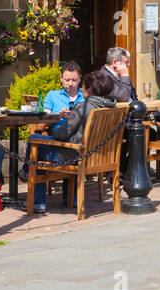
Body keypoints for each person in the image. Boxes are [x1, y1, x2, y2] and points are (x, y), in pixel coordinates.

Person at [29, 68, 117, 212]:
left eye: (82, 87)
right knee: (43, 143)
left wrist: (56, 129)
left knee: (35, 141)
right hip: (101, 156)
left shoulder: (83, 107)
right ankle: (68, 198)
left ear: (88, 89)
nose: (81, 90)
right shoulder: (113, 107)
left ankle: (37, 201)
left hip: (75, 155)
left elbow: (62, 135)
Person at [41, 61, 85, 133]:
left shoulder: (86, 96)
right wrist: (59, 115)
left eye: (74, 80)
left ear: (79, 78)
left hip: (80, 136)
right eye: (67, 80)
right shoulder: (52, 95)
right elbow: (45, 118)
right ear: (61, 78)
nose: (70, 84)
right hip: (59, 137)